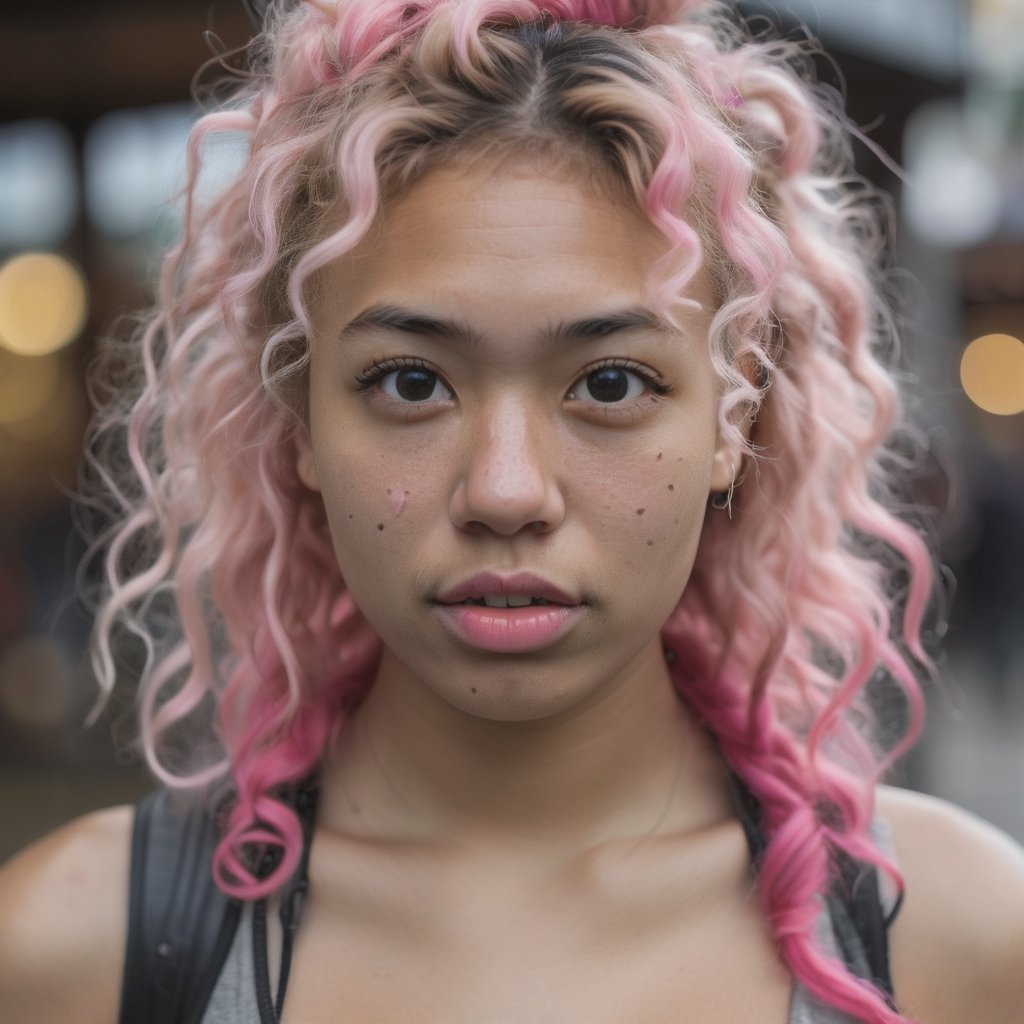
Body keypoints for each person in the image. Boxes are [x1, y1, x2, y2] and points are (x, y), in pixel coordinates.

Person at [2, 1, 1023, 1021]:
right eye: (409, 383)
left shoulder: (960, 940)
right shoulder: (69, 954)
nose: (504, 491)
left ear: (732, 417)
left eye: (611, 384)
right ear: (299, 418)